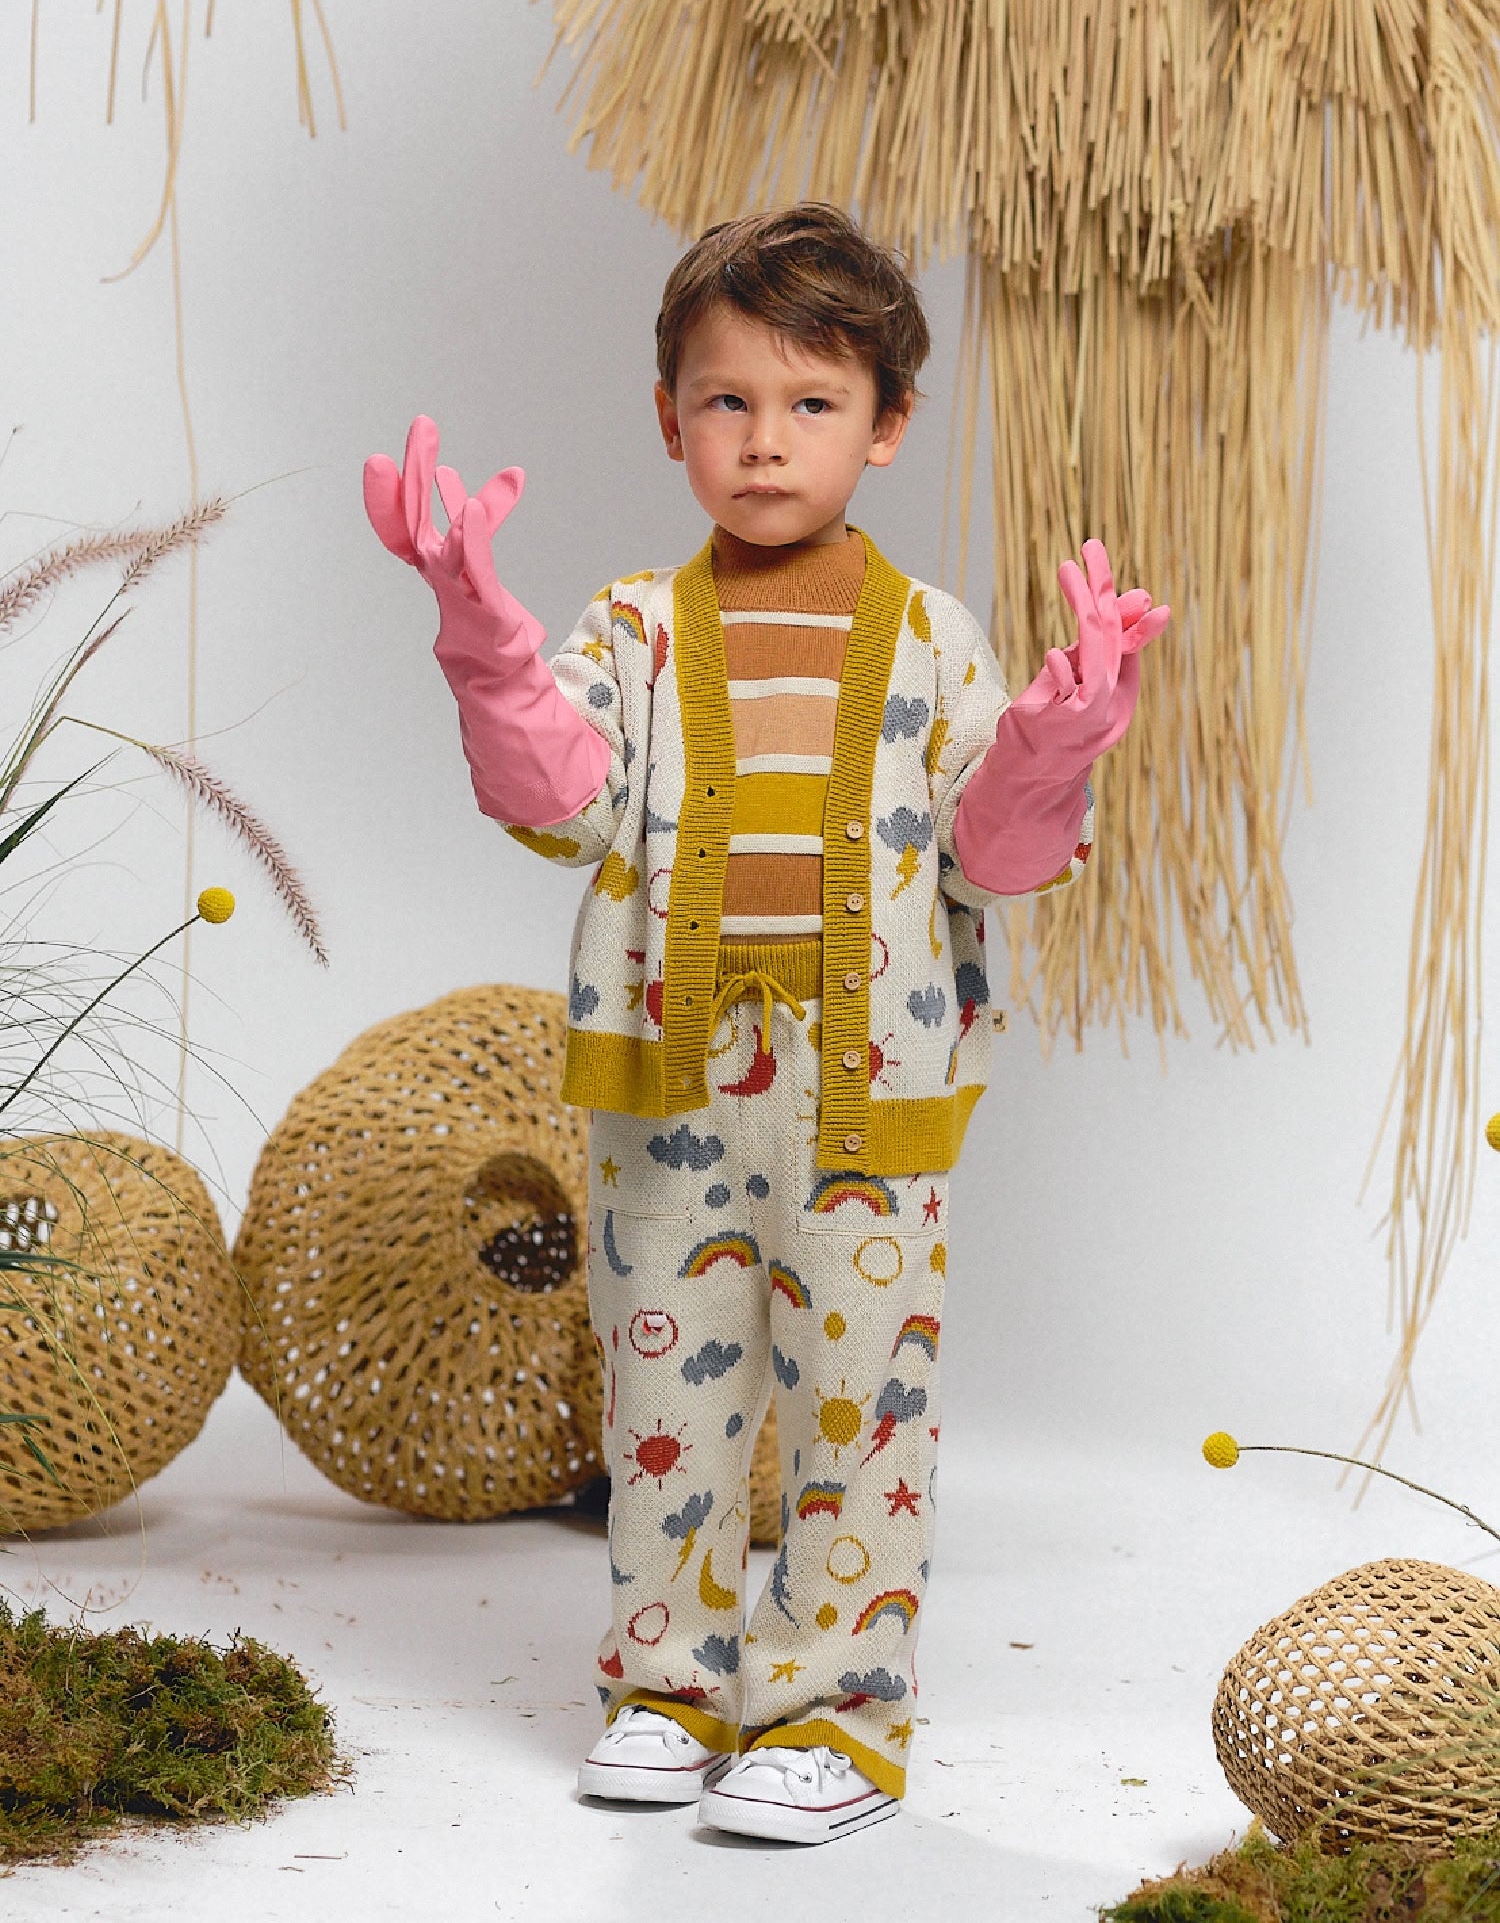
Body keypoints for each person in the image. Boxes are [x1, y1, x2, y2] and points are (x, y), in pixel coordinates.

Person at [364, 203, 1168, 1845]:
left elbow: (995, 860)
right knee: (665, 1419)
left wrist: (1056, 744)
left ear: (888, 426)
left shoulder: (933, 640)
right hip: (669, 1095)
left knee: (860, 1412)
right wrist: (483, 640)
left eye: (813, 403)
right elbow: (559, 803)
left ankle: (835, 1717)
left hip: (873, 1099)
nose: (765, 439)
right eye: (726, 400)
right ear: (670, 421)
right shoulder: (632, 632)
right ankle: (667, 1687)